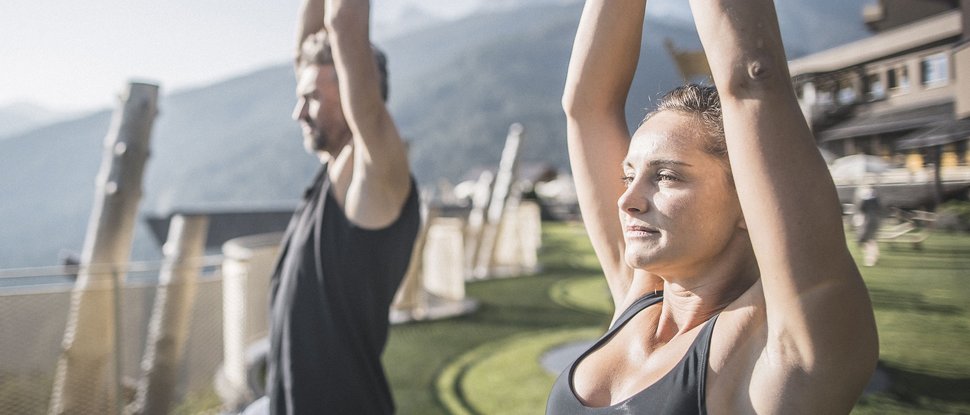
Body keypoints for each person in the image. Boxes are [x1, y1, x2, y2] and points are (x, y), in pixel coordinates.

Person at [547, 0, 879, 413]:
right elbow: (585, 108)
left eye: (666, 176)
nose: (627, 201)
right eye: (628, 176)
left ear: (749, 201)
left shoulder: (783, 350)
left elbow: (754, 77)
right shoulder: (640, 295)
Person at [253, 0, 419, 413]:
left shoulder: (373, 176)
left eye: (310, 98)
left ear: (351, 93)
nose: (298, 113)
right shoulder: (332, 173)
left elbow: (344, 23)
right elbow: (308, 47)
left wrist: (343, 42)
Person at [854, 183, 882, 266]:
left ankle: (870, 260)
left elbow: (862, 209)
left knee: (868, 240)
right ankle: (875, 254)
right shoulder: (876, 198)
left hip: (868, 220)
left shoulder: (866, 199)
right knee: (871, 239)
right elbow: (879, 209)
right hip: (876, 220)